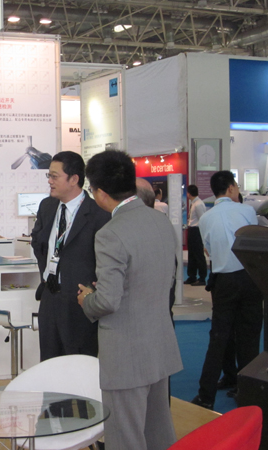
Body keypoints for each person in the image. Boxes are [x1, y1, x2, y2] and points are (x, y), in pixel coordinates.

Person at [77, 150, 182, 450]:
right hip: (158, 345)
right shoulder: (160, 220)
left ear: (99, 192)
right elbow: (163, 279)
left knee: (125, 437)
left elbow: (107, 302)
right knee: (158, 434)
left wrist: (87, 299)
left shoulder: (111, 232)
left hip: (126, 353)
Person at [191, 171, 262, 410]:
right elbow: (253, 240)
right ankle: (247, 392)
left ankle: (206, 396)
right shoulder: (247, 211)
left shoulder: (206, 218)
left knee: (219, 337)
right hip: (250, 278)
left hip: (223, 282)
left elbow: (209, 251)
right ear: (231, 188)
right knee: (249, 336)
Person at [31, 151, 109, 361]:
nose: (49, 181)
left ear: (74, 179)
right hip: (49, 297)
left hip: (80, 301)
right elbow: (38, 242)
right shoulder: (47, 206)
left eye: (54, 176)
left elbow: (105, 259)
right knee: (49, 363)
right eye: (48, 175)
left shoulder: (98, 213)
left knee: (78, 364)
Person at [185, 185, 208, 286]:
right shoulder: (194, 203)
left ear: (189, 193)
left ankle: (202, 278)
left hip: (197, 230)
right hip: (192, 230)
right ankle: (192, 276)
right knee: (192, 254)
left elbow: (202, 220)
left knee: (198, 254)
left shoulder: (198, 204)